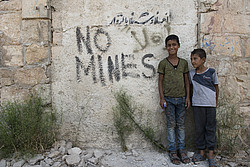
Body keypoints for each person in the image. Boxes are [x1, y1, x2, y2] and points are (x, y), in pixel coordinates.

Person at [157, 34, 190, 165]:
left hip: (182, 99)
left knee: (181, 125)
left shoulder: (183, 63)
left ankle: (182, 150)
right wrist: (162, 98)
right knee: (171, 125)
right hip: (169, 100)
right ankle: (173, 151)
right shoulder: (163, 64)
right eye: (169, 45)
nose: (172, 47)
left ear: (178, 46)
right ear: (166, 47)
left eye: (174, 45)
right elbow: (160, 82)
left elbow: (187, 81)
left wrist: (188, 97)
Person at [189, 48, 219, 167]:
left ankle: (210, 154)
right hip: (197, 105)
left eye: (195, 59)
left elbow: (216, 88)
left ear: (203, 60)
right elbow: (191, 89)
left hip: (210, 105)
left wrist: (215, 102)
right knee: (199, 129)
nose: (193, 61)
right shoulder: (191, 74)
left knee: (210, 128)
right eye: (191, 59)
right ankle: (201, 152)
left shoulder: (211, 72)